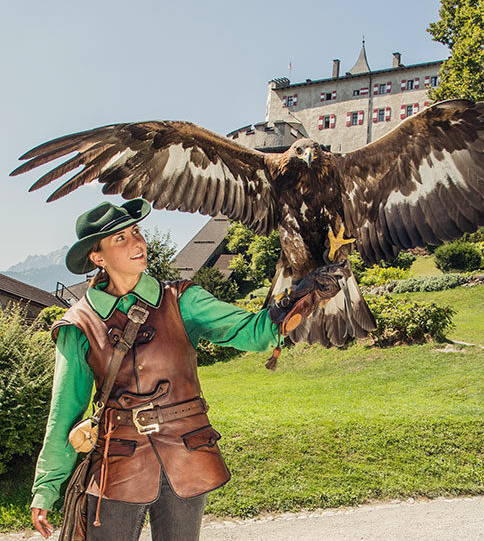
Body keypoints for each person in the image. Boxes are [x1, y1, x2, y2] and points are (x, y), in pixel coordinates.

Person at [30, 199, 317, 540]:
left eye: (136, 231)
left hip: (188, 453)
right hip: (116, 461)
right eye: (120, 238)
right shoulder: (79, 325)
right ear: (98, 257)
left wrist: (300, 299)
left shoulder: (182, 301)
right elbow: (64, 411)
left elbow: (252, 332)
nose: (137, 242)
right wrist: (46, 487)